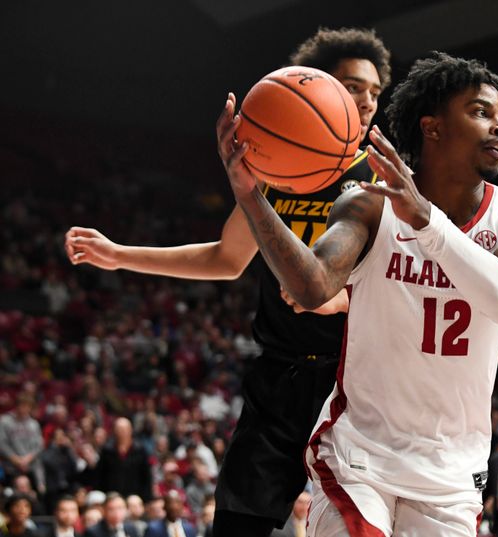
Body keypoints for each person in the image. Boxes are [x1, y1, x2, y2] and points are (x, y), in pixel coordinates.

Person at [64, 27, 391, 537]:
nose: (367, 101)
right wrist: (117, 255)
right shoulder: (276, 170)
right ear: (318, 91)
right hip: (279, 376)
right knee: (237, 523)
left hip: (355, 381)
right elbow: (225, 257)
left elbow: (410, 286)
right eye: (352, 87)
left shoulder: (384, 177)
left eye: (374, 91)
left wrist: (342, 301)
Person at [220, 51, 498, 535]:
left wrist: (427, 221)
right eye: (481, 112)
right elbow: (312, 285)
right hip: (359, 455)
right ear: (432, 127)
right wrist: (250, 194)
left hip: (453, 472)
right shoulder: (369, 206)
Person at [93, 418, 152, 502]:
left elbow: (146, 477)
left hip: (134, 498)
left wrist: (146, 499)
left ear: (130, 430)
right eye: (119, 429)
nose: (121, 432)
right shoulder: (107, 450)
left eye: (124, 429)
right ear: (114, 431)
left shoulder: (140, 450)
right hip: (111, 497)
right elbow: (99, 475)